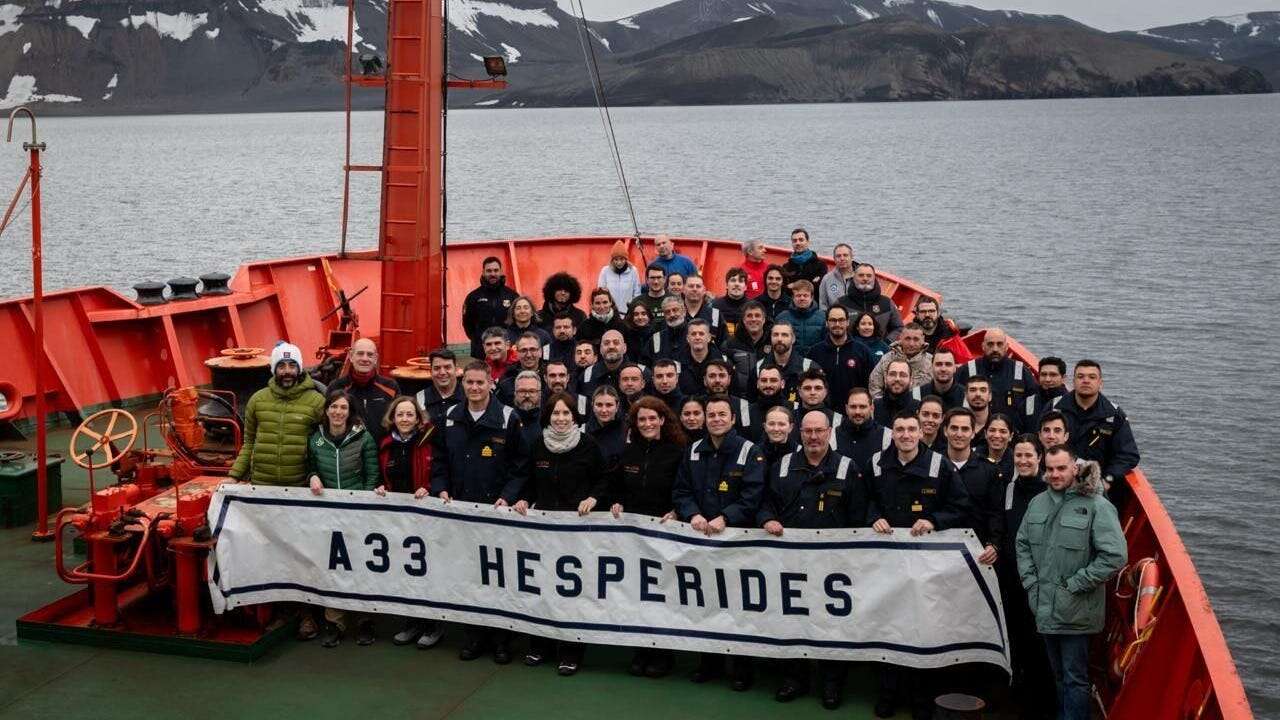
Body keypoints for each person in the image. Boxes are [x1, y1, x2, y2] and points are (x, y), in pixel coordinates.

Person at [866, 411, 972, 720]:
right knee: (888, 629)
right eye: (899, 429)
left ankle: (920, 698)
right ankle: (888, 693)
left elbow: (961, 506)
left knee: (922, 630)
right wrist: (874, 516)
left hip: (927, 563)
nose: (906, 435)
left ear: (921, 431)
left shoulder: (940, 465)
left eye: (912, 429)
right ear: (892, 433)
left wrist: (933, 520)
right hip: (887, 563)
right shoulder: (876, 463)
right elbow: (864, 500)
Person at [760, 410, 863, 709]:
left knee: (833, 625)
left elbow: (859, 515)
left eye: (819, 431)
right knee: (792, 622)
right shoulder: (781, 467)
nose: (814, 436)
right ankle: (794, 678)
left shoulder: (847, 468)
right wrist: (767, 519)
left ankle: (831, 683)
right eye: (808, 431)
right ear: (799, 433)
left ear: (830, 431)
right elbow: (766, 502)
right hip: (791, 563)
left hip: (835, 566)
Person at [1016, 445, 1127, 720]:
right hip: (1044, 606)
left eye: (1061, 468)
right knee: (1057, 676)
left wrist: (1075, 585)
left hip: (1077, 611)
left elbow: (1115, 556)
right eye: (1050, 469)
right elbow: (1023, 544)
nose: (1054, 474)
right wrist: (1032, 584)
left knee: (1074, 678)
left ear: (1075, 468)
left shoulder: (1097, 506)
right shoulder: (1038, 502)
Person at [432, 361, 529, 664]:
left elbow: (521, 466)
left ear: (491, 383)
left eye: (480, 383)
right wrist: (441, 488)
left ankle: (502, 640)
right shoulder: (449, 417)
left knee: (499, 577)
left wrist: (507, 497)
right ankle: (474, 636)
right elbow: (439, 461)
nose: (474, 388)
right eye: (469, 383)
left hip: (497, 513)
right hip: (461, 511)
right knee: (469, 576)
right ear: (463, 384)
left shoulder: (507, 418)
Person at [672, 394, 766, 691]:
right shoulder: (693, 450)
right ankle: (708, 662)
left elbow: (753, 496)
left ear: (733, 418)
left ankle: (741, 668)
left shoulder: (750, 452)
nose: (716, 419)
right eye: (710, 415)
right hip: (701, 541)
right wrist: (693, 514)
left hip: (737, 543)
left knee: (738, 606)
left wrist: (725, 517)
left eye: (721, 414)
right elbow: (682, 491)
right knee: (706, 603)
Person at [514, 392, 605, 677]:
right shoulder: (538, 444)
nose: (561, 419)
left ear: (575, 418)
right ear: (548, 417)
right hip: (544, 531)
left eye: (566, 414)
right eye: (556, 414)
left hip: (577, 533)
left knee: (570, 592)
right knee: (542, 587)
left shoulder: (589, 445)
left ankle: (570, 650)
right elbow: (528, 480)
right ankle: (540, 645)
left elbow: (603, 479)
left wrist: (593, 497)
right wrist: (523, 499)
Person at [609, 397, 686, 678]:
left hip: (666, 535)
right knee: (638, 594)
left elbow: (684, 488)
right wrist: (616, 501)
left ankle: (663, 654)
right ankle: (641, 650)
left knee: (663, 595)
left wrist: (677, 512)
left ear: (663, 420)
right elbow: (615, 485)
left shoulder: (678, 451)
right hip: (635, 538)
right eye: (641, 420)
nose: (647, 424)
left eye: (652, 418)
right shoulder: (628, 452)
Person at [304, 389, 382, 647]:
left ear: (350, 413)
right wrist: (312, 476)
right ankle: (335, 623)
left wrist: (363, 504)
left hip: (357, 513)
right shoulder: (316, 440)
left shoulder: (363, 438)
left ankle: (365, 621)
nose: (338, 412)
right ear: (326, 410)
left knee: (360, 567)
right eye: (334, 407)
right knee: (333, 567)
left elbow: (372, 475)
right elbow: (311, 468)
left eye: (343, 408)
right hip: (329, 514)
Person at [376, 395, 444, 650]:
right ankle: (411, 621)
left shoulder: (429, 443)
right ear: (392, 418)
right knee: (404, 571)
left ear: (418, 419)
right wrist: (381, 487)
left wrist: (429, 489)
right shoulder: (384, 445)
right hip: (398, 520)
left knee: (428, 572)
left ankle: (433, 624)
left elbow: (439, 472)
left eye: (410, 415)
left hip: (426, 518)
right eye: (400, 415)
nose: (404, 419)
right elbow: (380, 476)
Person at [1000, 435, 1055, 717]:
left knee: (1040, 643)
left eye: (1028, 456)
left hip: (1042, 581)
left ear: (1040, 458)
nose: (1023, 461)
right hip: (1013, 579)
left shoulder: (1050, 491)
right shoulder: (1008, 489)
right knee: (1018, 637)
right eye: (1018, 456)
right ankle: (1019, 693)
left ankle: (1043, 703)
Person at [229, 342, 325, 487]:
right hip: (261, 485)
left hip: (300, 487)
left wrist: (316, 475)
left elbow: (323, 444)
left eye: (292, 365)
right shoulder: (257, 400)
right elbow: (249, 443)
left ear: (299, 369)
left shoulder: (317, 402)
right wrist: (234, 476)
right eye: (281, 366)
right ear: (274, 370)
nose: (287, 371)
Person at [1047, 359, 1140, 492]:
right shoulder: (1054, 408)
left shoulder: (1114, 415)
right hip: (1057, 482)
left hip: (1096, 488)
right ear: (1073, 382)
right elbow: (1038, 442)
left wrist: (1108, 478)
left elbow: (1128, 455)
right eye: (1080, 376)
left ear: (1100, 383)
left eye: (1092, 377)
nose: (1086, 380)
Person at [942, 408, 1003, 565]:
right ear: (945, 431)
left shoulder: (989, 470)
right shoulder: (933, 465)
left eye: (965, 429)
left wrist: (993, 544)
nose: (959, 434)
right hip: (939, 551)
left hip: (978, 553)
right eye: (954, 428)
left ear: (973, 433)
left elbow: (996, 512)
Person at [327, 338, 401, 443]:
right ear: (351, 356)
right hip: (349, 454)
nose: (365, 358)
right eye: (360, 354)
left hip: (382, 454)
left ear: (376, 359)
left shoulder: (391, 388)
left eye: (370, 355)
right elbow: (326, 422)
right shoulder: (336, 387)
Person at [956, 328, 1040, 418]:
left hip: (1012, 430)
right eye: (990, 344)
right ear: (983, 346)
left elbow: (1034, 405)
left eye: (999, 344)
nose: (995, 349)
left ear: (1007, 347)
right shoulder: (966, 370)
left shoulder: (1022, 372)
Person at [808, 304, 871, 409]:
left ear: (848, 322)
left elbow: (870, 384)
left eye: (841, 320)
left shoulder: (862, 351)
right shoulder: (814, 352)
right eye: (833, 320)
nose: (837, 324)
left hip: (854, 412)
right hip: (823, 412)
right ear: (827, 323)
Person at [462, 256, 520, 359]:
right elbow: (467, 324)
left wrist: (510, 341)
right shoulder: (473, 297)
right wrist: (478, 340)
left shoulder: (512, 296)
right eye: (489, 271)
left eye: (495, 270)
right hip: (481, 351)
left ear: (501, 272)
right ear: (483, 272)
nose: (492, 274)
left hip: (507, 351)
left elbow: (518, 322)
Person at [747, 321, 813, 402]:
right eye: (775, 335)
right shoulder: (759, 368)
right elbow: (751, 402)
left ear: (793, 339)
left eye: (784, 335)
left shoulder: (808, 367)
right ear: (770, 338)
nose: (779, 339)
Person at [840, 263, 903, 341]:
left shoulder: (887, 303)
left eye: (869, 276)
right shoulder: (841, 303)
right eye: (861, 275)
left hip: (880, 350)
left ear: (874, 278)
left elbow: (899, 327)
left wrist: (886, 343)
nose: (865, 278)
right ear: (853, 277)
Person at [867, 323, 931, 398]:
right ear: (900, 337)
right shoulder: (886, 359)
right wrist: (881, 405)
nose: (911, 344)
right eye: (907, 339)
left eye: (916, 339)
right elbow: (874, 386)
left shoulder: (931, 362)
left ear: (923, 339)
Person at [834, 387, 893, 468]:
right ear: (846, 409)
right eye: (853, 407)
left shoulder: (887, 436)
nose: (857, 412)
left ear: (872, 408)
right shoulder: (833, 435)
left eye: (862, 407)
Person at [723, 300, 772, 390]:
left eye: (757, 316)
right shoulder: (730, 345)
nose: (753, 319)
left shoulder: (773, 342)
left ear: (764, 319)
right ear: (744, 320)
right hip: (741, 395)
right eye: (749, 316)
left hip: (768, 393)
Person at [577, 329, 631, 402]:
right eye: (606, 343)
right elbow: (582, 407)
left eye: (616, 343)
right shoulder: (587, 375)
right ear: (600, 349)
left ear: (625, 348)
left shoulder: (641, 372)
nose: (611, 346)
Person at [676, 319, 727, 396]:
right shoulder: (676, 364)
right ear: (687, 339)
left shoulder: (724, 362)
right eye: (693, 334)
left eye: (701, 334)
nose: (697, 337)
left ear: (709, 337)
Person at [775, 279, 824, 355]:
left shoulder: (823, 317)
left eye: (805, 295)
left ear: (811, 297)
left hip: (816, 362)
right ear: (793, 297)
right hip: (790, 362)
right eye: (798, 295)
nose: (802, 298)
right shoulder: (781, 318)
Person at [416, 348, 464, 425]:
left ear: (456, 369)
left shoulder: (469, 396)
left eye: (447, 367)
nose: (442, 372)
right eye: (437, 368)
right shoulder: (419, 399)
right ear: (430, 372)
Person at [1021, 356, 1069, 431]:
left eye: (1053, 375)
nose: (1047, 379)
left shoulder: (1071, 403)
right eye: (1043, 374)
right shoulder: (1028, 402)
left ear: (1063, 378)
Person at [586, 385, 626, 474]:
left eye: (609, 405)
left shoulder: (627, 432)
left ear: (617, 406)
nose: (604, 410)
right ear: (592, 405)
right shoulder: (583, 432)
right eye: (599, 405)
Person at [497, 332, 544, 405]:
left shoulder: (551, 375)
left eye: (533, 349)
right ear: (517, 353)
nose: (528, 355)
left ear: (540, 352)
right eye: (524, 350)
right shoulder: (506, 378)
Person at [872, 359, 921, 426]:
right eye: (892, 374)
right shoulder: (874, 407)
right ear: (885, 378)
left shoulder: (918, 408)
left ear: (911, 380)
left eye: (903, 375)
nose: (897, 379)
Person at [597, 240, 642, 310]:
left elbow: (637, 293)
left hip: (628, 312)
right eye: (616, 259)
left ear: (626, 259)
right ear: (612, 260)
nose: (619, 262)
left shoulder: (633, 271)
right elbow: (601, 292)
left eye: (622, 259)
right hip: (610, 311)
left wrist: (632, 308)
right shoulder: (605, 271)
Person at [681, 274, 725, 343]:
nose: (694, 289)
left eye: (698, 286)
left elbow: (723, 343)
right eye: (691, 286)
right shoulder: (674, 313)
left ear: (704, 290)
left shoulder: (715, 315)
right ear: (683, 290)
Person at [509, 371, 544, 450]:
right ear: (515, 393)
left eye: (532, 391)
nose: (527, 395)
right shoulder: (505, 419)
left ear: (539, 394)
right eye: (522, 391)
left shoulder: (547, 420)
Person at [711, 267, 750, 338]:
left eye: (740, 281)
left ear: (746, 287)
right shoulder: (716, 306)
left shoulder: (752, 307)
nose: (736, 284)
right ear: (726, 285)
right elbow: (713, 333)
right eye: (733, 280)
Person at [817, 242, 856, 311]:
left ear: (852, 257)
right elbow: (823, 304)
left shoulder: (861, 277)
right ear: (834, 258)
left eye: (845, 255)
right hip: (835, 319)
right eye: (838, 256)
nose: (842, 258)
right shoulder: (827, 279)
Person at [649, 295, 689, 361]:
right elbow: (644, 364)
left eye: (675, 310)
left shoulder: (695, 334)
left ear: (684, 311)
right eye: (667, 312)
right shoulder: (656, 339)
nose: (672, 315)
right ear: (664, 315)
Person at [981, 413, 1016, 485]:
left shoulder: (1017, 463)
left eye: (1003, 431)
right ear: (985, 433)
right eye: (992, 430)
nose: (997, 435)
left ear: (1011, 436)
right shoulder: (974, 459)